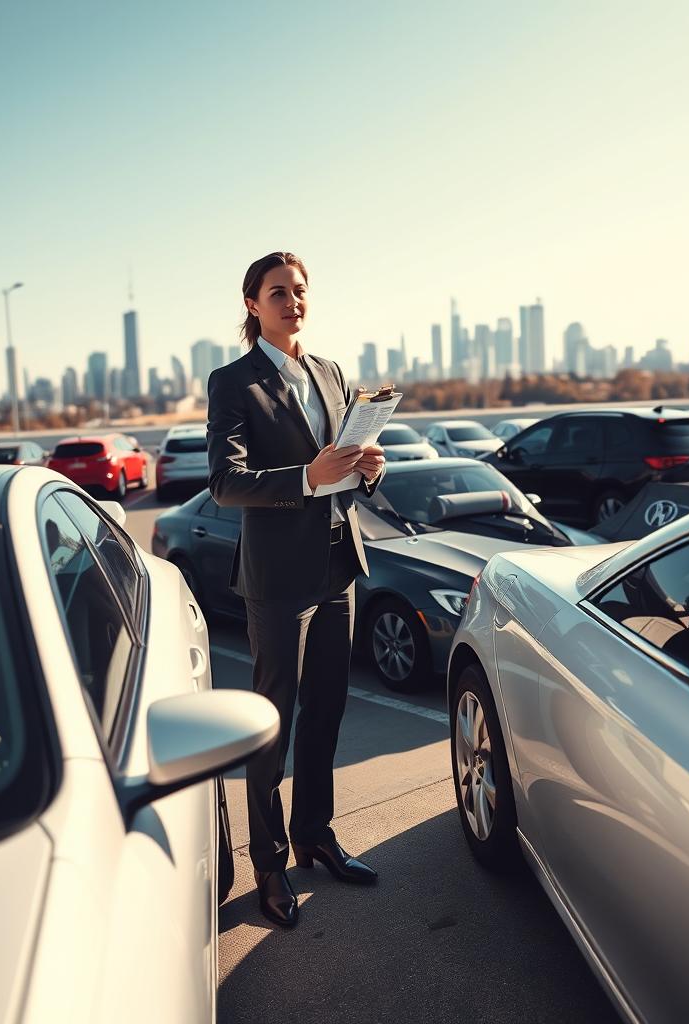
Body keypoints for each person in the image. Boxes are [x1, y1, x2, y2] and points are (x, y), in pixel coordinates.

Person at [206, 251, 386, 929]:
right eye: (278, 292)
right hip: (277, 582)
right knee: (271, 727)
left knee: (327, 714)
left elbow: (347, 461)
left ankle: (315, 833)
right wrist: (306, 477)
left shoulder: (331, 372)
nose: (293, 300)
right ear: (253, 304)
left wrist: (370, 468)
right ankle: (269, 863)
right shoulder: (234, 382)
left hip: (339, 566)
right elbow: (225, 483)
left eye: (300, 290)